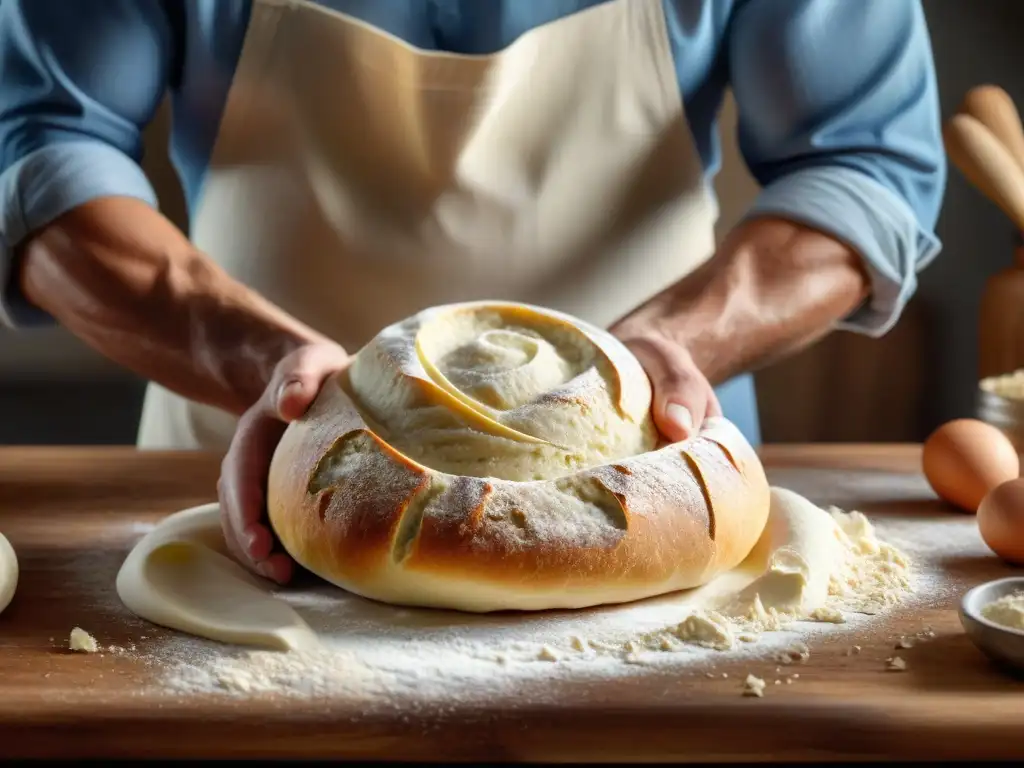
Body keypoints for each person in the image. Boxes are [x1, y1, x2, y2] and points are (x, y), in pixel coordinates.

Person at [0, 0, 944, 583]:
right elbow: (39, 152)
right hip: (255, 478)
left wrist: (661, 351)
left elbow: (864, 166)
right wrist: (267, 366)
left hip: (651, 475)